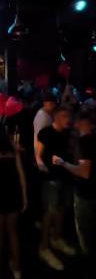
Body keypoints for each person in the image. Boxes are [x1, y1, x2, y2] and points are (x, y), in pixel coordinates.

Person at [52, 112, 95, 274]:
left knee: (85, 234)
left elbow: (84, 172)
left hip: (86, 194)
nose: (71, 122)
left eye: (74, 120)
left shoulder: (85, 142)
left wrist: (63, 163)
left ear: (82, 122)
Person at [0, 122, 27, 279]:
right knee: (13, 231)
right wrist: (24, 196)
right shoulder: (14, 148)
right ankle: (16, 269)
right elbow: (21, 173)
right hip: (14, 191)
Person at [36, 105, 76, 270]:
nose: (68, 119)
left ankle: (56, 238)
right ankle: (44, 247)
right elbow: (38, 155)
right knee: (49, 213)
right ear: (56, 117)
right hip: (51, 179)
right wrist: (42, 167)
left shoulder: (68, 133)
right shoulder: (46, 133)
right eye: (64, 116)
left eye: (69, 116)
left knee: (62, 209)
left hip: (65, 177)